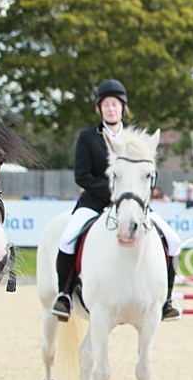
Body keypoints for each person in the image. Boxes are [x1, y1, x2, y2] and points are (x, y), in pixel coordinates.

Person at [50, 79, 182, 322]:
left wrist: (133, 195)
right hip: (94, 203)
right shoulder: (88, 137)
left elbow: (150, 171)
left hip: (133, 206)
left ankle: (166, 299)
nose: (111, 109)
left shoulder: (135, 139)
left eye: (115, 104)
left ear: (123, 108)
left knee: (173, 240)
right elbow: (82, 175)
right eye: (106, 105)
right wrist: (114, 193)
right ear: (100, 108)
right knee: (68, 238)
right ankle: (64, 295)